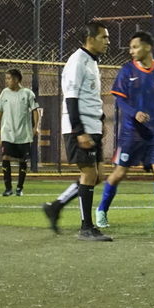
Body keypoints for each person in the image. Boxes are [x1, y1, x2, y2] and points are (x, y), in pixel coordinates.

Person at [94, 31, 154, 232]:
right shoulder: (127, 71)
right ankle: (101, 209)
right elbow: (120, 101)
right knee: (120, 173)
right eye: (130, 47)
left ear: (148, 47)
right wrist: (135, 113)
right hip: (131, 132)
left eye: (135, 47)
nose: (131, 51)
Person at [42, 21, 112, 241]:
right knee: (89, 175)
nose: (108, 41)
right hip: (80, 128)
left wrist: (101, 120)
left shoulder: (92, 62)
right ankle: (86, 228)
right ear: (90, 39)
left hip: (92, 125)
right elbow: (71, 99)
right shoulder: (77, 61)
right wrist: (79, 131)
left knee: (98, 176)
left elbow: (88, 97)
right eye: (104, 37)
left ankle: (55, 206)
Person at [0, 68, 41, 197]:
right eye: (6, 78)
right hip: (7, 132)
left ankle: (19, 187)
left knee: (22, 159)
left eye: (9, 79)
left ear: (16, 80)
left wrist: (35, 127)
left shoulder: (27, 93)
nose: (6, 81)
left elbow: (35, 110)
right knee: (5, 157)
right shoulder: (4, 93)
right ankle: (8, 188)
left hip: (23, 133)